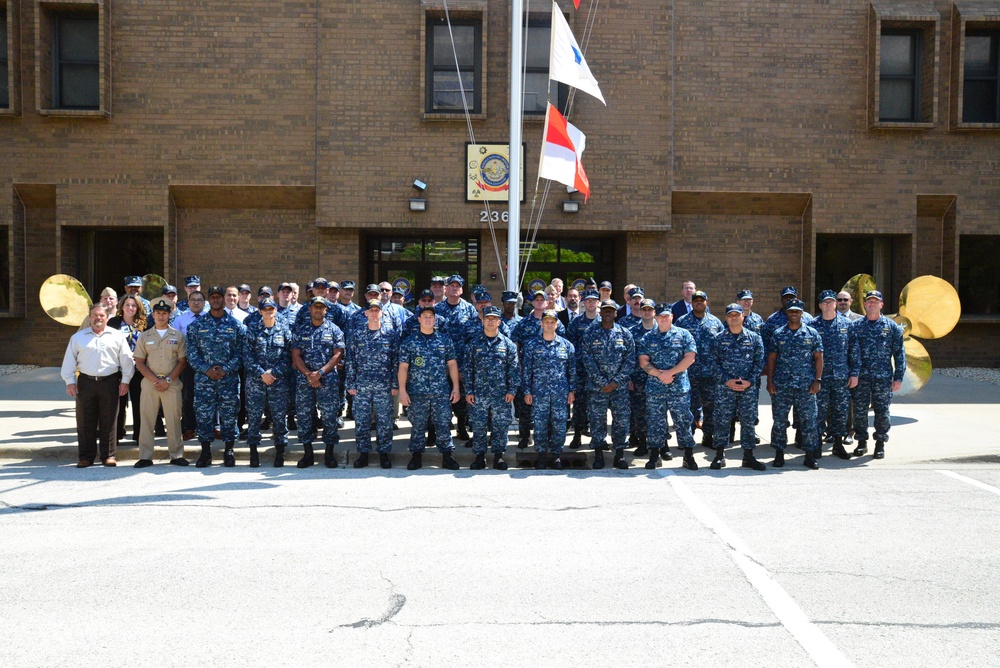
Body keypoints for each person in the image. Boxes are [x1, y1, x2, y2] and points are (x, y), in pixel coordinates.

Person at [61, 302, 135, 467]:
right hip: (86, 382)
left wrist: (125, 381)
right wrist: (70, 382)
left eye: (102, 315)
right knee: (85, 420)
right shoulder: (78, 337)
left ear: (107, 318)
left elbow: (127, 360)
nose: (98, 318)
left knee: (109, 420)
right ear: (89, 317)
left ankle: (108, 455)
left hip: (110, 382)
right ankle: (86, 457)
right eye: (95, 315)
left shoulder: (117, 336)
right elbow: (69, 362)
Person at [186, 286, 245, 468]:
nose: (217, 300)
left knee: (229, 416)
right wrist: (206, 369)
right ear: (208, 301)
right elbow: (191, 353)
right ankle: (205, 452)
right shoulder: (196, 326)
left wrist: (226, 369)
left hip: (228, 379)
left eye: (219, 297)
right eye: (213, 297)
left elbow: (241, 353)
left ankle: (229, 450)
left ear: (224, 299)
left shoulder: (235, 325)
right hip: (205, 380)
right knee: (204, 416)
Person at [398, 305, 461, 470]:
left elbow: (452, 364)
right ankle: (416, 456)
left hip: (441, 392)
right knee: (418, 425)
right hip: (417, 392)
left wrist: (456, 387)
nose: (427, 319)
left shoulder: (444, 340)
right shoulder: (409, 342)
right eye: (424, 316)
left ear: (435, 320)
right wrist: (402, 391)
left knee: (443, 424)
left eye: (430, 317)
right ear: (419, 319)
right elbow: (403, 367)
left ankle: (447, 456)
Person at [637, 303, 698, 470]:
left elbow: (690, 358)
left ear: (672, 317)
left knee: (684, 421)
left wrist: (670, 373)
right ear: (656, 317)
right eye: (661, 316)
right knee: (655, 422)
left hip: (678, 388)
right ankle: (655, 456)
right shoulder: (648, 338)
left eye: (667, 316)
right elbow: (643, 361)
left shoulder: (684, 335)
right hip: (655, 388)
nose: (664, 319)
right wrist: (660, 374)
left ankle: (688, 456)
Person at [766, 299, 823, 469]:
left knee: (809, 420)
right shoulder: (778, 333)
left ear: (802, 313)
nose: (794, 314)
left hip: (806, 385)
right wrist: (770, 381)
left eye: (797, 311)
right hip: (782, 385)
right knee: (779, 421)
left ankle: (810, 455)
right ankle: (779, 453)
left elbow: (819, 358)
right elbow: (772, 359)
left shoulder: (812, 334)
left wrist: (817, 380)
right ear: (787, 313)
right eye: (791, 311)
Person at [848, 290, 905, 459]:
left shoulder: (891, 327)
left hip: (883, 377)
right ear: (865, 304)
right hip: (861, 377)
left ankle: (880, 444)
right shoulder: (856, 326)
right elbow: (851, 353)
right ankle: (861, 442)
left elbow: (899, 354)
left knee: (882, 411)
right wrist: (853, 374)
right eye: (869, 301)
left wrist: (898, 377)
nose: (872, 304)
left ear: (881, 305)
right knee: (859, 410)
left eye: (875, 301)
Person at [131, 298, 188, 468]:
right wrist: (155, 380)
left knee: (173, 419)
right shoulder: (145, 336)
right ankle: (145, 456)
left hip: (171, 383)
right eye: (158, 313)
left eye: (164, 313)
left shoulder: (178, 336)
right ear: (153, 315)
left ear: (169, 315)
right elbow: (139, 361)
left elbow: (182, 361)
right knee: (147, 419)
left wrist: (168, 380)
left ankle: (176, 454)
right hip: (150, 383)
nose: (161, 316)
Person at [710, 304, 767, 470]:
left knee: (748, 421)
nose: (734, 318)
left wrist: (750, 381)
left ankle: (748, 456)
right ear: (726, 318)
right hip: (725, 388)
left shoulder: (755, 338)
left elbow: (759, 362)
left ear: (743, 316)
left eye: (737, 315)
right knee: (722, 421)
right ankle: (719, 455)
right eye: (730, 315)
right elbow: (713, 363)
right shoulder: (718, 339)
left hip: (748, 388)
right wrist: (727, 380)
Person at [291, 296, 345, 468]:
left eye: (321, 307)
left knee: (329, 417)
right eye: (315, 307)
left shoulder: (334, 330)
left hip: (327, 380)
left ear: (325, 310)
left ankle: (329, 453)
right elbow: (296, 355)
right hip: (304, 380)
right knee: (305, 416)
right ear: (310, 309)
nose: (318, 310)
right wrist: (309, 374)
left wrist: (320, 373)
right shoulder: (300, 330)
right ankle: (308, 454)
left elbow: (338, 354)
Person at [580, 300, 635, 469]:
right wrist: (602, 382)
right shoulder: (590, 333)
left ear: (616, 313)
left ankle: (619, 455)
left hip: (619, 389)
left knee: (621, 421)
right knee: (597, 421)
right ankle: (598, 455)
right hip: (597, 388)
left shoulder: (625, 334)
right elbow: (587, 360)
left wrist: (616, 382)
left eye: (611, 310)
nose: (608, 313)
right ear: (600, 312)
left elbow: (630, 360)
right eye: (605, 310)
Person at [462, 305, 519, 470]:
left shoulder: (508, 345)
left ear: (499, 322)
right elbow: (468, 369)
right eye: (488, 318)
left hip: (501, 395)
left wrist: (511, 391)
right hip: (479, 394)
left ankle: (498, 456)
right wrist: (469, 391)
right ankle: (480, 456)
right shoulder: (473, 345)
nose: (491, 321)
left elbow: (513, 370)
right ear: (483, 321)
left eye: (494, 319)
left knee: (500, 425)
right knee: (479, 425)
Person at [346, 300, 400, 469]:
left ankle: (384, 453)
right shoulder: (357, 334)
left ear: (382, 313)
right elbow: (350, 361)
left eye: (377, 310)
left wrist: (394, 384)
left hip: (384, 386)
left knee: (384, 421)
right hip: (362, 385)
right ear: (366, 313)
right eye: (372, 310)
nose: (375, 313)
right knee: (362, 421)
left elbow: (395, 362)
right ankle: (363, 454)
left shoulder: (390, 334)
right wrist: (351, 383)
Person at [511, 291, 567, 448]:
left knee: (548, 410)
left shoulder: (556, 322)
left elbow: (563, 342)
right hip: (529, 370)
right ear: (532, 303)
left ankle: (547, 438)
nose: (540, 302)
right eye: (537, 300)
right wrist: (520, 365)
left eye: (543, 300)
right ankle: (524, 436)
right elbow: (516, 343)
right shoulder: (524, 323)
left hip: (549, 373)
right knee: (525, 408)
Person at [521, 309, 576, 469]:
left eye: (552, 322)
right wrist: (527, 391)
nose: (549, 324)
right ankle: (542, 455)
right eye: (547, 322)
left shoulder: (566, 346)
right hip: (539, 393)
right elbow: (527, 371)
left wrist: (572, 391)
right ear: (541, 323)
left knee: (559, 424)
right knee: (540, 424)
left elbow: (571, 371)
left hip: (561, 393)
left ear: (557, 324)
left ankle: (556, 456)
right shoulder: (532, 345)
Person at [243, 297, 292, 467]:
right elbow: (247, 356)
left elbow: (288, 356)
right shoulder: (252, 329)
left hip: (278, 382)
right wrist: (261, 373)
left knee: (279, 418)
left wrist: (273, 372)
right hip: (256, 382)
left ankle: (280, 452)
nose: (269, 312)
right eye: (266, 309)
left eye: (272, 309)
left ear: (276, 310)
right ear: (260, 311)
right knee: (254, 418)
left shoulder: (284, 330)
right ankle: (254, 453)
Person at [809, 290, 854, 460]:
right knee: (818, 411)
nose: (828, 305)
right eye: (824, 302)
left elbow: (853, 351)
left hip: (841, 376)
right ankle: (817, 445)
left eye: (831, 302)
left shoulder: (847, 325)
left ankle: (837, 444)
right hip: (819, 377)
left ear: (835, 304)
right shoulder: (812, 326)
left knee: (840, 411)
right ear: (820, 305)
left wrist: (854, 373)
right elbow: (808, 354)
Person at [676, 290, 724, 448]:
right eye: (695, 300)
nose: (698, 302)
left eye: (701, 300)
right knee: (688, 407)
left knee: (711, 407)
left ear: (706, 302)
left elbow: (723, 346)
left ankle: (708, 436)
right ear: (691, 303)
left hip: (710, 374)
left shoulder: (715, 322)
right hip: (689, 374)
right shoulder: (682, 322)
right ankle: (688, 438)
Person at [434, 275, 479, 442]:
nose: (454, 288)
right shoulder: (437, 309)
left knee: (461, 398)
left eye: (457, 286)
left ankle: (461, 427)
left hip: (462, 362)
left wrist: (463, 366)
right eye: (451, 285)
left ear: (461, 289)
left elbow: (472, 338)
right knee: (442, 399)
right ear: (446, 288)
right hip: (440, 362)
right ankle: (441, 430)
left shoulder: (469, 309)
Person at [108, 294, 148, 442]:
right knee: (118, 402)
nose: (130, 308)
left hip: (139, 370)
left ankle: (139, 435)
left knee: (139, 403)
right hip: (119, 369)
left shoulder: (144, 323)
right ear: (122, 306)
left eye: (133, 305)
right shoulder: (113, 323)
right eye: (127, 305)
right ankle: (117, 434)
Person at [566, 288, 600, 448]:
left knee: (598, 407)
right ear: (583, 302)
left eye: (594, 300)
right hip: (580, 371)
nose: (591, 303)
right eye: (588, 300)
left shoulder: (605, 322)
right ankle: (577, 435)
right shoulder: (575, 323)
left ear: (598, 302)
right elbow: (570, 348)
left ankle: (598, 438)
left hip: (600, 373)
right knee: (579, 406)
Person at [627, 298, 658, 455]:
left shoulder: (662, 329)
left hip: (658, 379)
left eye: (649, 310)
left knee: (659, 412)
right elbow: (628, 357)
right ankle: (643, 443)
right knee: (639, 413)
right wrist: (628, 377)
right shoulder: (632, 332)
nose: (646, 312)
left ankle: (661, 445)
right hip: (638, 379)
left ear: (654, 312)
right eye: (644, 309)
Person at [173, 290, 205, 440]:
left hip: (207, 364)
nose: (196, 302)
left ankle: (209, 427)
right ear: (188, 302)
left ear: (204, 303)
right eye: (193, 300)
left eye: (199, 300)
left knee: (208, 396)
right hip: (188, 364)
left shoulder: (209, 318)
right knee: (188, 396)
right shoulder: (180, 320)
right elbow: (175, 342)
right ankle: (190, 427)